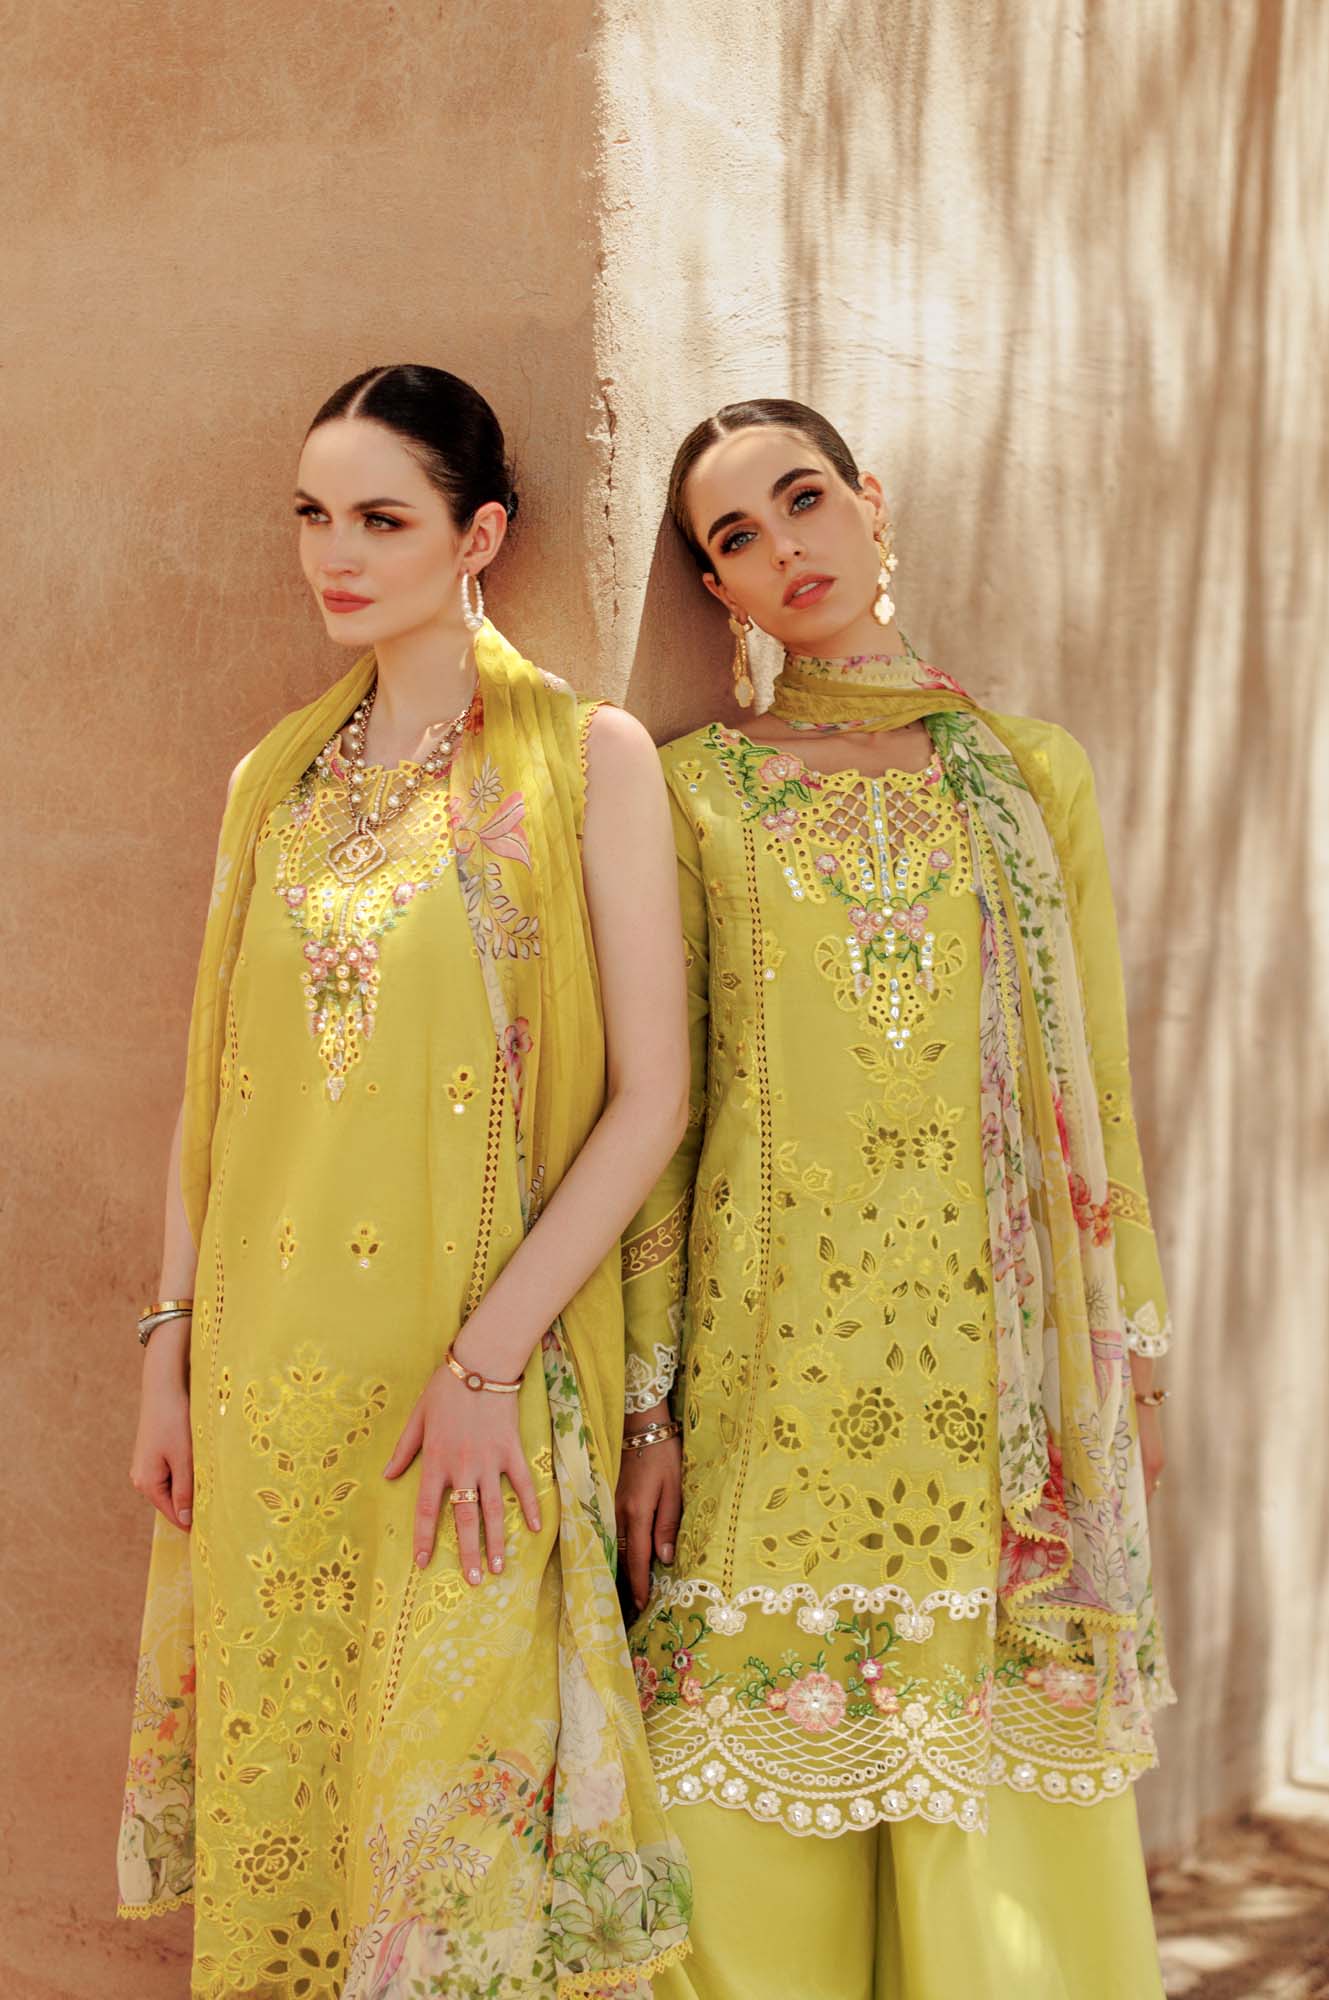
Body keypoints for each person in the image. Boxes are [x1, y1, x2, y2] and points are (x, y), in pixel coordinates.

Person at [119, 363, 694, 2000]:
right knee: (298, 1824)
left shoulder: (585, 760)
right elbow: (214, 1101)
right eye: (313, 514)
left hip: (466, 1400)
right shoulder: (274, 781)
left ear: (478, 535)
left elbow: (651, 1099)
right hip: (266, 1387)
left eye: (381, 517)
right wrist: (167, 1350)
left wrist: (488, 1366)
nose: (335, 553)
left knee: (457, 1868)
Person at [616, 398, 1173, 1999]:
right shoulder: (697, 793)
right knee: (732, 1811)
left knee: (996, 1819)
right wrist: (648, 1405)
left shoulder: (1027, 774)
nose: (783, 548)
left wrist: (1130, 1361)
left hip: (1000, 1383)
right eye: (735, 536)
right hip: (768, 1372)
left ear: (870, 501)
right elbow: (665, 1112)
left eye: (802, 500)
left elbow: (1098, 1090)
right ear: (715, 590)